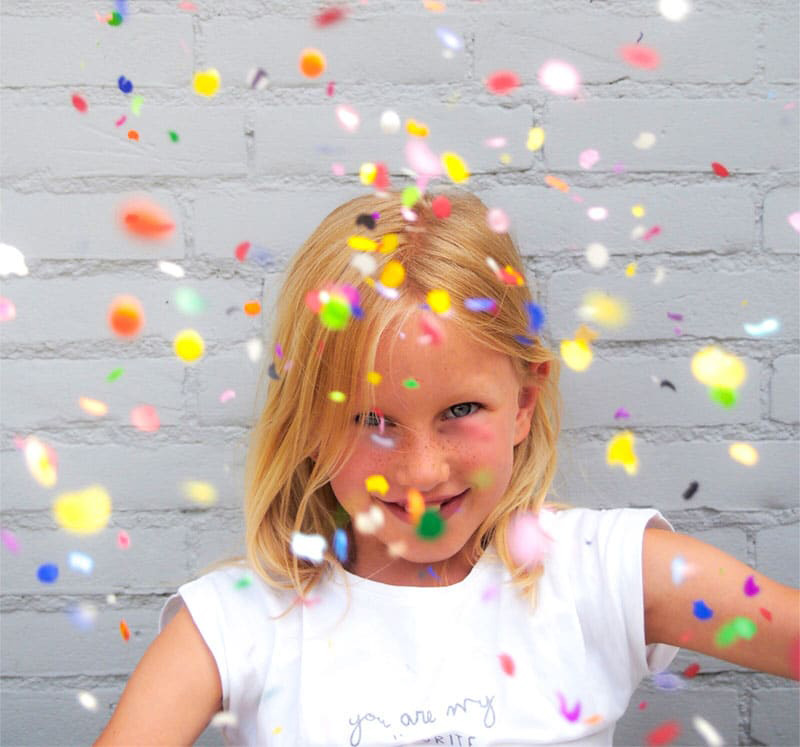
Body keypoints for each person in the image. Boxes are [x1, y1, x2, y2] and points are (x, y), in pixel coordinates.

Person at [94, 191, 799, 746]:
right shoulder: (237, 623)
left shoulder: (601, 573)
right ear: (310, 423)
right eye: (373, 421)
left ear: (524, 404)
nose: (423, 470)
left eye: (459, 409)